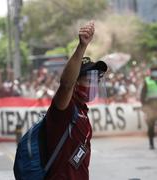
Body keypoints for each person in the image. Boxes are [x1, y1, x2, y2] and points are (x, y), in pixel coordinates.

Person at [44, 22, 107, 179]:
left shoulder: (82, 110)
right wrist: (82, 46)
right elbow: (66, 85)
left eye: (96, 80)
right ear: (76, 82)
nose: (94, 84)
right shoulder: (65, 107)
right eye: (89, 80)